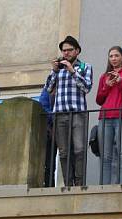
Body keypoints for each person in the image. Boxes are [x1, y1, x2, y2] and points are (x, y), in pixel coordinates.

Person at [46, 36, 93, 186]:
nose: (66, 53)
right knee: (64, 152)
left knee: (79, 150)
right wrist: (54, 71)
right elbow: (48, 89)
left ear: (77, 51)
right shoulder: (58, 70)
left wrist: (72, 71)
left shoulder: (85, 67)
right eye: (63, 50)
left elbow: (86, 87)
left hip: (78, 113)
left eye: (69, 50)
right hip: (60, 114)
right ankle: (68, 184)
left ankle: (79, 184)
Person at [96, 46, 122, 184]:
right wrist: (106, 86)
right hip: (105, 118)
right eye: (111, 56)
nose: (113, 58)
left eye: (116, 55)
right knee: (105, 156)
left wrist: (120, 82)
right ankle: (104, 187)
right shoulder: (104, 76)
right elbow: (99, 100)